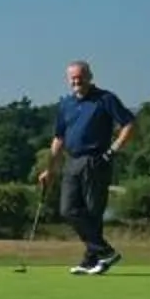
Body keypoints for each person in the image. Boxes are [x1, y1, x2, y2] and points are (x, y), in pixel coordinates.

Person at [39, 59, 135, 276]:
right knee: (68, 209)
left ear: (90, 77)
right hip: (72, 161)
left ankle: (91, 259)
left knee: (93, 213)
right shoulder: (66, 104)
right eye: (72, 78)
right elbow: (59, 138)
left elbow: (129, 124)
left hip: (96, 161)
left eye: (80, 76)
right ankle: (103, 252)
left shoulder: (105, 99)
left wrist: (112, 151)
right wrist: (50, 169)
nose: (76, 81)